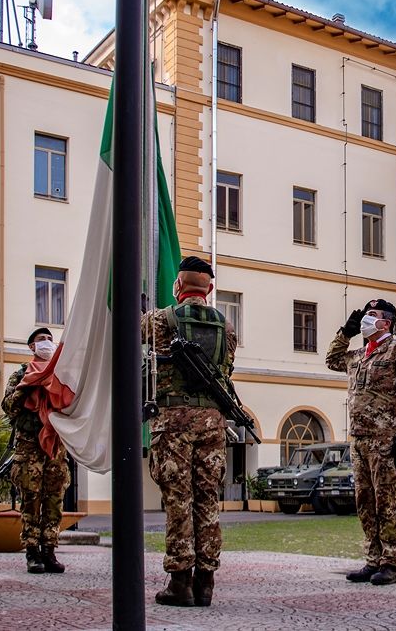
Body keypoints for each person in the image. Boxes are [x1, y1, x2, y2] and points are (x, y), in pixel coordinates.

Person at [143, 255, 237, 607]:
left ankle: (179, 582)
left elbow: (133, 335)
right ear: (209, 289)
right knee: (207, 498)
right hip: (212, 421)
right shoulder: (227, 329)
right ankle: (206, 582)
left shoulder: (161, 320)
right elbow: (227, 370)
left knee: (178, 500)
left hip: (173, 422)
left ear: (178, 286)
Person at [326, 298, 396, 586]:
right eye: (365, 315)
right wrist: (346, 331)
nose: (366, 319)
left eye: (372, 315)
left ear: (386, 322)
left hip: (386, 441)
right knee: (365, 502)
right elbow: (332, 360)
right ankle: (373, 559)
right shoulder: (359, 355)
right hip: (359, 440)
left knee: (387, 502)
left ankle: (391, 563)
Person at [1, 327, 70, 574]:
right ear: (32, 347)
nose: (47, 343)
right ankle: (32, 552)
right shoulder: (21, 373)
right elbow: (8, 407)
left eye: (50, 339)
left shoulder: (61, 373)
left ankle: (49, 550)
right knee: (31, 498)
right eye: (41, 340)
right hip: (29, 444)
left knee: (54, 498)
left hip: (55, 446)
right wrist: (26, 386)